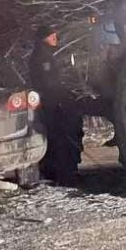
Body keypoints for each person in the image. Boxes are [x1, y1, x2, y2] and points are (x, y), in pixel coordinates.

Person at [29, 25, 83, 184]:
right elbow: (48, 82)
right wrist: (62, 96)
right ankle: (63, 173)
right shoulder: (43, 56)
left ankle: (57, 171)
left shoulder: (43, 54)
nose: (55, 38)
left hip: (50, 102)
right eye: (51, 35)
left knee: (55, 137)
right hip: (52, 103)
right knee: (60, 137)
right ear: (43, 38)